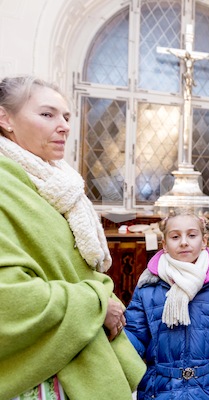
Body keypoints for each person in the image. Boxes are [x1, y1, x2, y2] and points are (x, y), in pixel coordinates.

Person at [0, 75, 146, 399]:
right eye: (47, 114)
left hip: (73, 357)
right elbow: (8, 300)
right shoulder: (5, 185)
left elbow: (71, 268)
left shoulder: (55, 183)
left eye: (66, 116)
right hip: (37, 379)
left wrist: (98, 298)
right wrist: (96, 303)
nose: (64, 125)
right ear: (5, 119)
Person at [124, 208, 209, 400]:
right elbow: (132, 341)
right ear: (165, 245)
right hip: (159, 391)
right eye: (175, 236)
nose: (184, 242)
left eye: (192, 235)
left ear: (203, 241)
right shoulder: (148, 287)